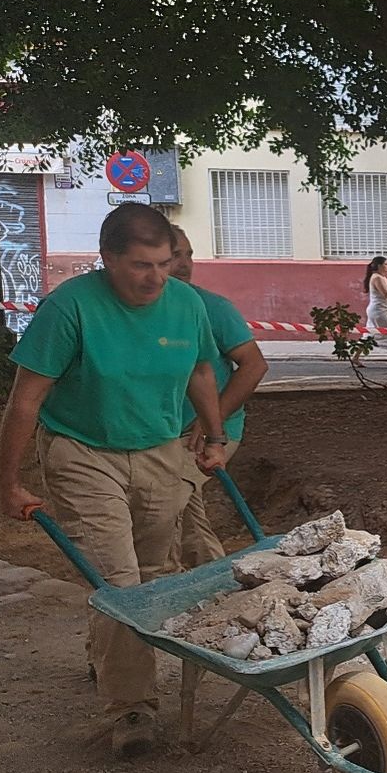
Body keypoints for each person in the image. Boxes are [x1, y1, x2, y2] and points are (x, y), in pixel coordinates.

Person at [0, 204, 229, 759]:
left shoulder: (186, 304)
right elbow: (26, 399)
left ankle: (107, 654)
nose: (156, 278)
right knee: (118, 583)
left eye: (164, 263)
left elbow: (200, 371)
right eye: (142, 265)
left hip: (159, 450)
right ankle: (132, 707)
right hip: (83, 452)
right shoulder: (70, 307)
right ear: (107, 259)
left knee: (152, 577)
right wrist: (7, 483)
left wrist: (215, 437)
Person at [170, 227, 269, 567]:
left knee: (170, 499)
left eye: (188, 255)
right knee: (180, 509)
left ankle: (191, 579)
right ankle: (209, 578)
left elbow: (255, 365)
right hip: (163, 432)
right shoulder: (144, 310)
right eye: (175, 255)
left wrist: (213, 420)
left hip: (208, 431)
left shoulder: (212, 307)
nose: (184, 264)